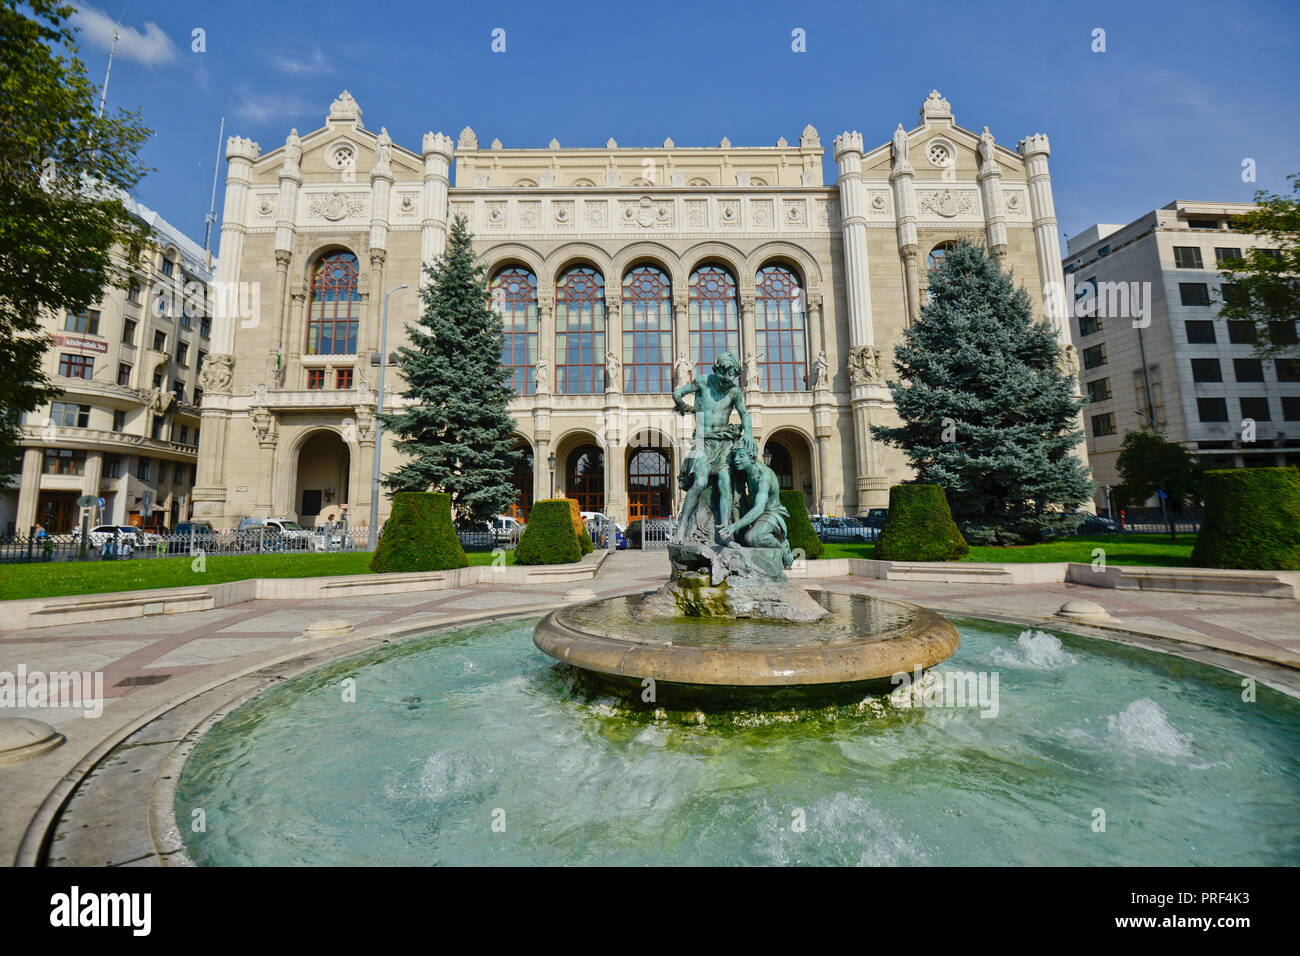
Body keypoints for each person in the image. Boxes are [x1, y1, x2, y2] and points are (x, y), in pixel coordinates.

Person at [671, 351, 751, 541]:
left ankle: (725, 534)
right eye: (724, 374)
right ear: (717, 370)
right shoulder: (702, 382)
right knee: (699, 482)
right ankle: (682, 527)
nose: (727, 379)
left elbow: (744, 414)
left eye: (732, 375)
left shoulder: (734, 391)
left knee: (725, 485)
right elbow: (677, 393)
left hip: (723, 443)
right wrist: (684, 407)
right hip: (702, 440)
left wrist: (748, 433)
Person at [720, 437, 794, 568]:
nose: (736, 459)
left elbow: (759, 508)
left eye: (741, 456)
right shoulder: (746, 472)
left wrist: (734, 526)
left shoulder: (763, 476)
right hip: (754, 511)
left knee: (752, 538)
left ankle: (781, 545)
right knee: (743, 539)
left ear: (752, 457)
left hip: (771, 513)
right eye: (735, 456)